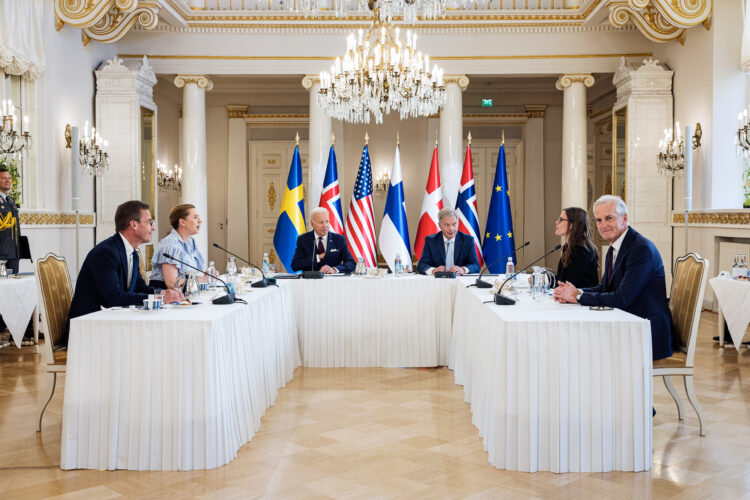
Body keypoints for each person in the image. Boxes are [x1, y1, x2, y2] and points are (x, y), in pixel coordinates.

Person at [553, 195, 673, 360]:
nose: (603, 225)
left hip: (646, 331)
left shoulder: (641, 249)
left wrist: (578, 296)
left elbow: (622, 298)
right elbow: (605, 288)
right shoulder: (614, 247)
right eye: (599, 220)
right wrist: (574, 291)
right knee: (574, 342)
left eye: (609, 218)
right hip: (626, 323)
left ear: (625, 218)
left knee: (580, 347)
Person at [66, 200, 183, 346]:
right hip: (89, 328)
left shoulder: (131, 253)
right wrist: (159, 298)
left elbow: (140, 287)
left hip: (110, 323)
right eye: (149, 222)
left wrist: (165, 293)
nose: (153, 228)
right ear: (133, 224)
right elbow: (113, 298)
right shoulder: (106, 253)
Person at [150, 204, 205, 290]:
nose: (200, 221)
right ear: (182, 222)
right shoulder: (170, 244)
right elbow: (172, 283)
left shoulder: (190, 242)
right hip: (164, 295)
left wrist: (207, 276)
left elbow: (188, 275)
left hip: (184, 292)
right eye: (195, 217)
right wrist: (202, 280)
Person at [291, 207, 355, 274]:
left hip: (333, 282)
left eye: (327, 221)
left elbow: (351, 264)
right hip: (310, 282)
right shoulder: (303, 239)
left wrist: (334, 269)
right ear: (312, 224)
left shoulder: (339, 239)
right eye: (321, 222)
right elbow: (295, 265)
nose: (325, 226)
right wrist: (318, 257)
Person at [417, 208, 480, 276]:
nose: (451, 229)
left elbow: (475, 266)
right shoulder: (431, 241)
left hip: (460, 282)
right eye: (447, 225)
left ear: (458, 224)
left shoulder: (467, 240)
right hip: (438, 282)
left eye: (454, 224)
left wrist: (463, 270)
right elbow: (422, 265)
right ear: (440, 225)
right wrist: (433, 270)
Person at [554, 206, 599, 288]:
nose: (556, 222)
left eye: (561, 219)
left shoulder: (582, 250)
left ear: (572, 225)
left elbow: (570, 283)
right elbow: (561, 279)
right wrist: (544, 279)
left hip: (582, 299)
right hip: (570, 297)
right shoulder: (567, 247)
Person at [0, 167, 21, 274]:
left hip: (13, 252)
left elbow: (16, 227)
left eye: (9, 178)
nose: (8, 180)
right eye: (4, 178)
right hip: (1, 252)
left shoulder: (10, 200)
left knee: (13, 285)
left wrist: (19, 250)